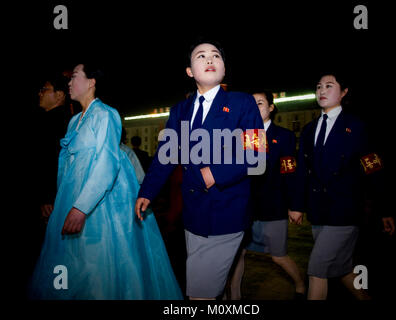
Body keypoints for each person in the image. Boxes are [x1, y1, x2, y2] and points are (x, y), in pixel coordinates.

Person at [28, 63, 183, 300]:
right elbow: (67, 170)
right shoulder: (74, 121)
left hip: (100, 207)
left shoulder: (106, 114)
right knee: (74, 264)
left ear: (91, 82)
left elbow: (106, 165)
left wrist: (81, 207)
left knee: (99, 267)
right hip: (72, 201)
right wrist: (62, 203)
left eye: (75, 77)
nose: (69, 83)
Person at [135, 38, 264, 300]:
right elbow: (165, 156)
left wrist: (213, 174)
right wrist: (146, 191)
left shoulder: (242, 103)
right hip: (192, 213)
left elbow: (256, 152)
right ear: (189, 72)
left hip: (227, 210)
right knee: (203, 285)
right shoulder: (179, 111)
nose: (209, 60)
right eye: (201, 56)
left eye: (216, 56)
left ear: (224, 69)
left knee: (199, 294)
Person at [292, 72, 395, 300]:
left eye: (329, 86)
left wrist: (385, 209)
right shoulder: (309, 129)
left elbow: (373, 168)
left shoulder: (356, 126)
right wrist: (297, 205)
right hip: (318, 211)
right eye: (318, 86)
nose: (322, 91)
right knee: (341, 270)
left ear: (344, 92)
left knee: (317, 268)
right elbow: (302, 171)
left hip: (345, 211)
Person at [228, 90, 306, 300]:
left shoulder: (284, 136)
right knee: (238, 255)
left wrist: (295, 205)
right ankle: (234, 298)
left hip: (273, 206)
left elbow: (290, 173)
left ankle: (301, 285)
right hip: (245, 207)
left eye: (260, 103)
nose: (254, 108)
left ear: (271, 108)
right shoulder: (242, 136)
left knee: (278, 256)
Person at [36, 74, 72, 224]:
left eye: (44, 89)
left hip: (51, 198)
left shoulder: (55, 122)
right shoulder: (60, 119)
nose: (40, 93)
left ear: (59, 95)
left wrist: (47, 198)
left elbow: (50, 159)